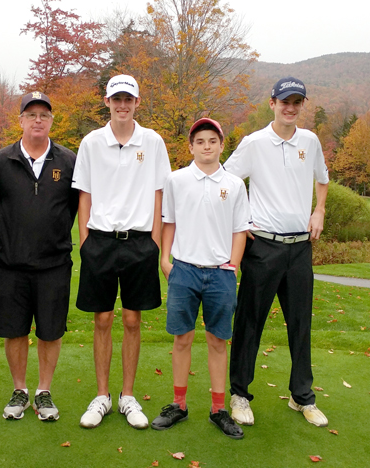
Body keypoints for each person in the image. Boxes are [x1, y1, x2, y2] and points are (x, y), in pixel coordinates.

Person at [224, 77, 330, 427]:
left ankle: (302, 397)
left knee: (300, 324)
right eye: (285, 101)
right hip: (263, 246)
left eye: (297, 101)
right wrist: (240, 222)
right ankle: (239, 394)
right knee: (249, 322)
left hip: (300, 248)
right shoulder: (255, 143)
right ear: (272, 103)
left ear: (302, 105)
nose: (290, 107)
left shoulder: (310, 141)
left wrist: (319, 210)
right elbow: (226, 181)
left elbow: (323, 179)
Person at [72, 74, 171, 429]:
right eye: (117, 99)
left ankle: (127, 396)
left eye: (129, 99)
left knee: (132, 319)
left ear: (137, 103)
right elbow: (84, 193)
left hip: (140, 242)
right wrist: (85, 240)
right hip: (99, 241)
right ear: (107, 101)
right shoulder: (91, 142)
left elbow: (160, 193)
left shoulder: (154, 142)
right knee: (102, 319)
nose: (123, 105)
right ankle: (102, 395)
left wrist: (156, 242)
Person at [151, 119, 250, 439]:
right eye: (200, 141)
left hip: (220, 273)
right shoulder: (177, 180)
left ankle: (218, 409)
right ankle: (179, 405)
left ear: (222, 145)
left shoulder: (234, 184)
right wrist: (165, 260)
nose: (207, 146)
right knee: (182, 339)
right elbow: (169, 223)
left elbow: (240, 230)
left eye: (213, 141)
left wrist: (232, 265)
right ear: (191, 146)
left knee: (217, 341)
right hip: (184, 270)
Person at [0, 92, 78, 422]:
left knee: (50, 331)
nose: (38, 120)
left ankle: (43, 391)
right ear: (21, 120)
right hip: (11, 264)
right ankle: (20, 390)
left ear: (51, 120)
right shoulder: (1, 160)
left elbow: (71, 207)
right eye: (31, 114)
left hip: (54, 264)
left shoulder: (68, 161)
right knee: (15, 330)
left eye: (44, 114)